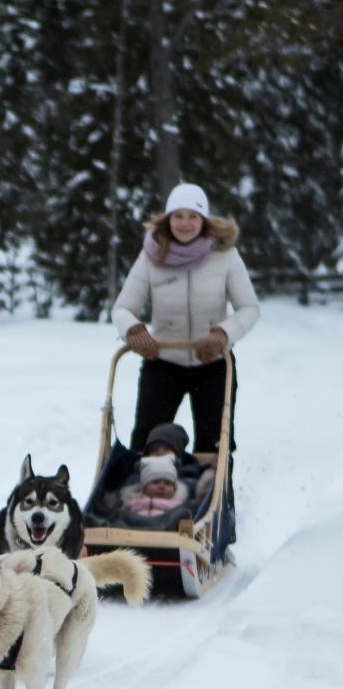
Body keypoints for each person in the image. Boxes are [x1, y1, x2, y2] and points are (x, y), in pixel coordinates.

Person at [111, 183, 259, 539]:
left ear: (204, 220)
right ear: (167, 219)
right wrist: (133, 330)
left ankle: (218, 525)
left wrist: (223, 333)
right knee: (147, 442)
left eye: (193, 216)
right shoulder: (151, 256)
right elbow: (122, 307)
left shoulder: (225, 255)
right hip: (163, 361)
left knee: (215, 447)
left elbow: (249, 309)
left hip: (213, 363)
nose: (185, 223)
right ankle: (135, 520)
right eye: (178, 216)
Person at [118, 455, 189, 518]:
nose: (162, 487)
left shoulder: (178, 507)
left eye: (167, 483)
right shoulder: (132, 502)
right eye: (156, 482)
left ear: (175, 489)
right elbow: (120, 517)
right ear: (144, 487)